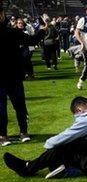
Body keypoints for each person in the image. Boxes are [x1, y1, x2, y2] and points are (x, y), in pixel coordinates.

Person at [3, 97, 87, 179]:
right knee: (78, 143)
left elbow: (59, 140)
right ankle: (57, 166)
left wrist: (48, 144)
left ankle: (29, 168)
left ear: (79, 110)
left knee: (65, 144)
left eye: (76, 116)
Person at [0, 9, 46, 146]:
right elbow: (33, 40)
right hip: (13, 75)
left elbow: (31, 40)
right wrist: (43, 29)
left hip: (9, 76)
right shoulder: (12, 32)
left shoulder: (13, 32)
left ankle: (3, 136)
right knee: (19, 105)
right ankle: (23, 133)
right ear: (2, 16)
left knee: (2, 107)